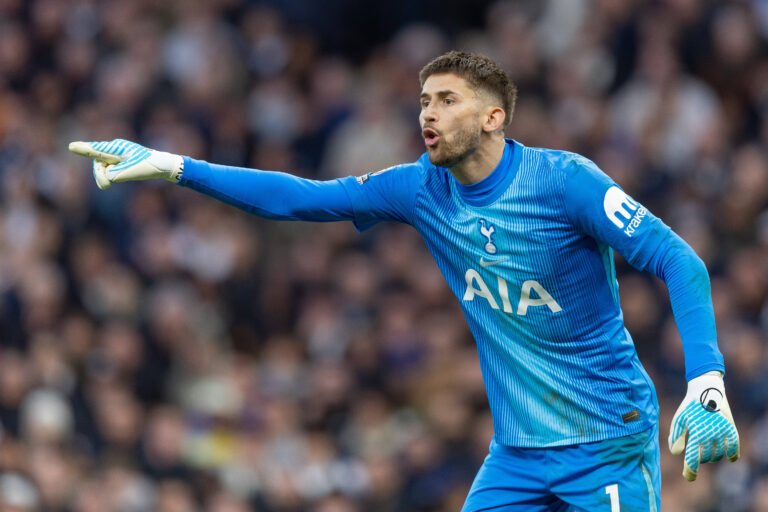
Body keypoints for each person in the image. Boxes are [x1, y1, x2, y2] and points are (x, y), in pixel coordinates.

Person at [70, 51, 739, 511]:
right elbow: (299, 198)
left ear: (493, 117)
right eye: (424, 101)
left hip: (605, 439)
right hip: (519, 451)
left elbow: (678, 259)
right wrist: (173, 166)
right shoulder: (420, 190)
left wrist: (706, 378)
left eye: (448, 100)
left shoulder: (565, 183)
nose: (429, 113)